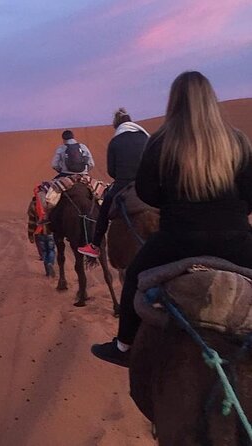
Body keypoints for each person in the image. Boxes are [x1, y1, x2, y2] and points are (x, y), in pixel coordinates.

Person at [91, 71, 252, 367]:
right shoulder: (238, 142)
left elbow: (147, 193)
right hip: (238, 241)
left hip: (178, 240)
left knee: (134, 279)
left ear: (174, 101)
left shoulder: (162, 142)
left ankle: (124, 346)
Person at [78, 109, 149, 258]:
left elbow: (111, 171)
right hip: (147, 183)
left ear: (117, 125)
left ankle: (95, 245)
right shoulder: (145, 137)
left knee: (104, 209)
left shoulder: (115, 141)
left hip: (123, 184)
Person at [28, 184, 56, 277]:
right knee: (51, 250)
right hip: (50, 232)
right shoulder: (51, 202)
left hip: (39, 233)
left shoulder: (33, 204)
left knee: (44, 251)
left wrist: (30, 235)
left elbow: (31, 222)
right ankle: (51, 264)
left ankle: (47, 268)